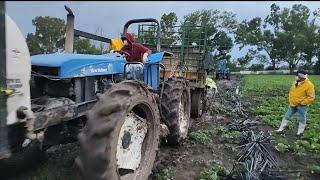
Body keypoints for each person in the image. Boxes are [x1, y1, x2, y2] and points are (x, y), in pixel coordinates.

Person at [276, 70, 315, 135]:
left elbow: (311, 97)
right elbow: (292, 92)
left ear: (302, 76)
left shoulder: (309, 85)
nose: (296, 77)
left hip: (302, 105)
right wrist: (291, 100)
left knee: (301, 118)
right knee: (286, 116)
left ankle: (300, 132)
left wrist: (302, 103)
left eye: (297, 75)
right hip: (293, 104)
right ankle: (280, 129)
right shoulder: (295, 82)